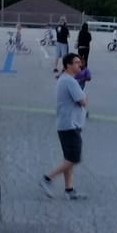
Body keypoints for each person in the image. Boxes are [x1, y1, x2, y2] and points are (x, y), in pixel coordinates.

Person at [39, 53, 88, 200]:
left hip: (66, 124)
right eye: (76, 62)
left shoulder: (65, 79)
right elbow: (83, 101)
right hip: (70, 125)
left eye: (80, 62)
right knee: (73, 158)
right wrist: (85, 98)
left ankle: (69, 189)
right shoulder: (70, 81)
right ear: (68, 65)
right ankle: (47, 178)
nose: (80, 65)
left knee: (68, 159)